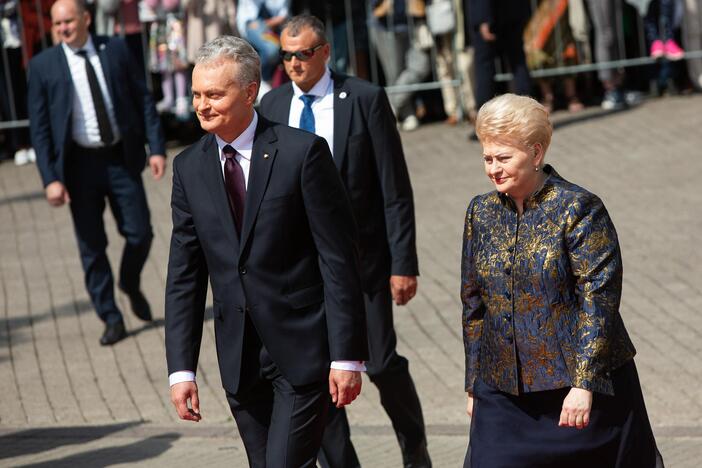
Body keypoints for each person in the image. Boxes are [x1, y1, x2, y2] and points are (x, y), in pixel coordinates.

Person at [165, 35, 368, 468]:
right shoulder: (188, 168)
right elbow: (184, 274)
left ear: (250, 91)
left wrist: (347, 354)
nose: (202, 105)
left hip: (303, 352)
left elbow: (338, 259)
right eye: (198, 94)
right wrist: (181, 369)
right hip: (240, 362)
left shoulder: (302, 154)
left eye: (215, 94)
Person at [260, 14, 431, 468]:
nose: (295, 63)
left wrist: (404, 262)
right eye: (287, 55)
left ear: (325, 52)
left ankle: (414, 446)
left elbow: (394, 188)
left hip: (365, 264)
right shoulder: (272, 106)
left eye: (304, 54)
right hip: (304, 271)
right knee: (318, 375)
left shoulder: (364, 100)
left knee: (379, 363)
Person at [461, 93, 664, 467]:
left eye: (504, 158)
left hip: (575, 394)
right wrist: (474, 382)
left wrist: (584, 384)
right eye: (488, 158)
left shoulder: (578, 208)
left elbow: (598, 301)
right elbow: (474, 304)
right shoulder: (481, 212)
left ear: (536, 154)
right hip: (502, 393)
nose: (493, 169)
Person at [27, 0, 166, 346]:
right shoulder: (44, 66)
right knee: (92, 247)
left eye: (68, 21)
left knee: (141, 233)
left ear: (86, 19)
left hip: (120, 157)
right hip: (78, 167)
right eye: (57, 24)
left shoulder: (115, 49)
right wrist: (51, 179)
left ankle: (129, 282)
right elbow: (40, 129)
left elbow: (142, 98)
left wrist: (157, 148)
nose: (62, 29)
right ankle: (111, 317)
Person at [468, 0, 531, 118]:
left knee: (485, 67)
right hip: (513, 12)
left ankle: (485, 120)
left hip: (491, 14)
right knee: (518, 63)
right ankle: (528, 116)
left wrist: (483, 18)